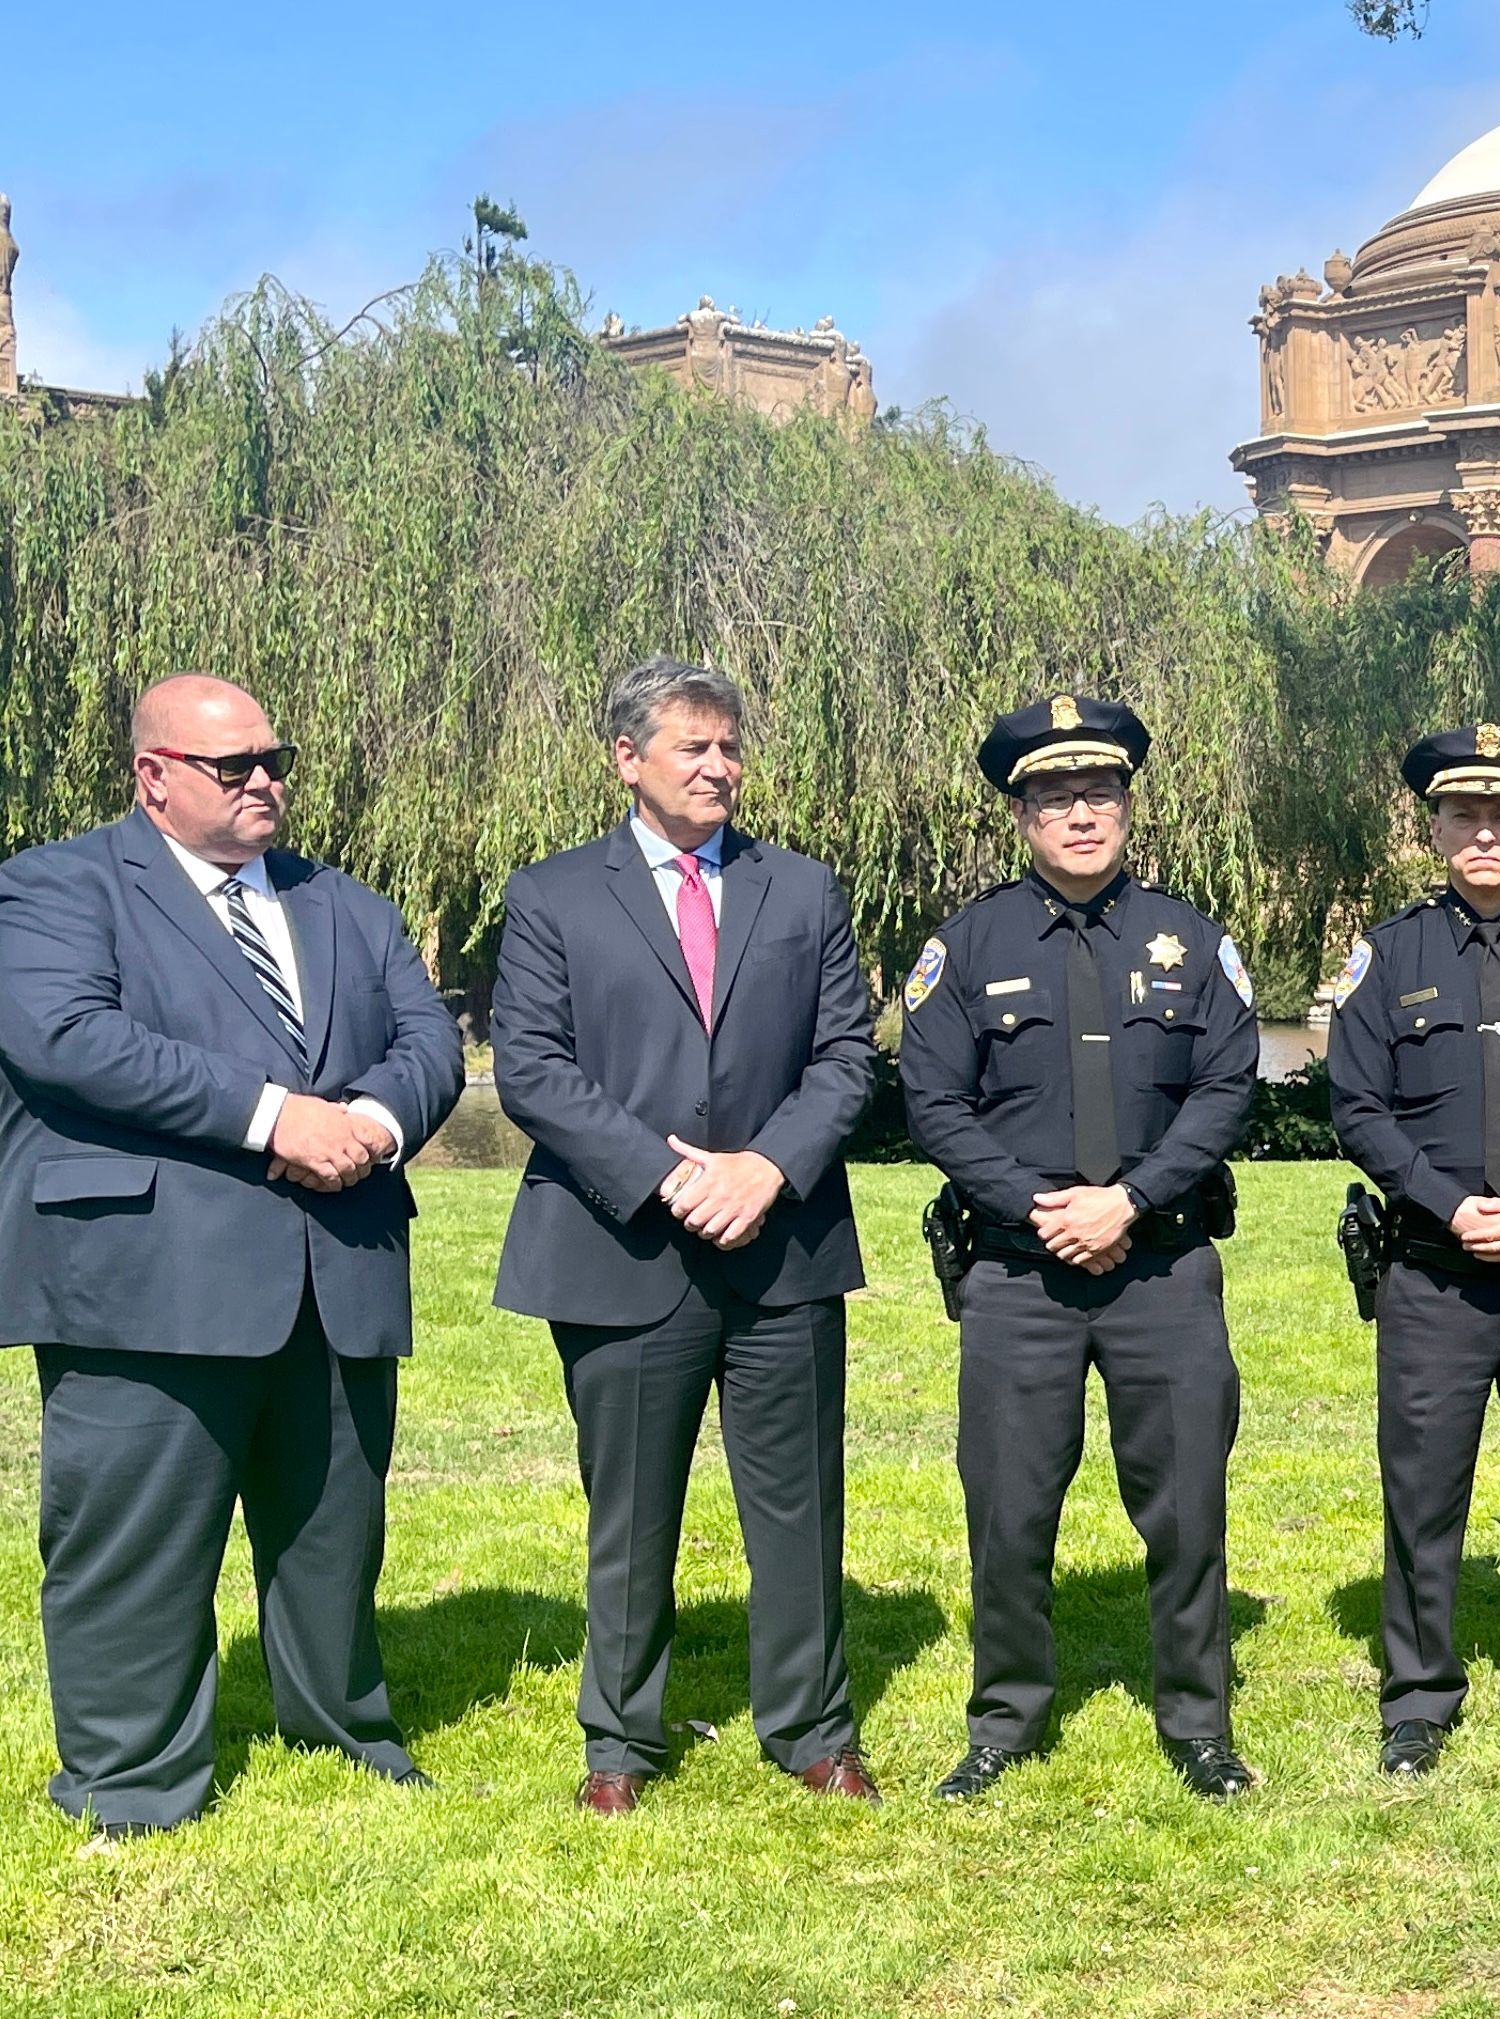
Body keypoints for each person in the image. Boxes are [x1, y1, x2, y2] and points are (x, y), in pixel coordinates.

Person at [0, 675, 463, 1838]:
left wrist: (372, 1122)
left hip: (338, 1263)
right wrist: (273, 1115)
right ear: (153, 775)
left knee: (332, 1530)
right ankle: (132, 1778)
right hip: (146, 1275)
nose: (267, 780)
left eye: (277, 757)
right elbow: (69, 1036)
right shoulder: (54, 885)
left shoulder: (345, 902)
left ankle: (344, 1725)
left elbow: (427, 1042)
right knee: (133, 1541)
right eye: (234, 764)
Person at [490, 657, 880, 1813]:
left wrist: (766, 1166)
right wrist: (668, 1176)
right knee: (630, 1509)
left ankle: (812, 1727)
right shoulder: (552, 895)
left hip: (782, 1246)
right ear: (626, 757)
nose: (719, 767)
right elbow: (533, 1069)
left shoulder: (801, 891)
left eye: (730, 746)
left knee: (800, 1503)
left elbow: (847, 1057)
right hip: (624, 1249)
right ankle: (619, 1744)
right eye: (692, 747)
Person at [897, 695, 1260, 1802]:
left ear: (1127, 805)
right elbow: (932, 1098)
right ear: (1020, 814)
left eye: (1098, 792)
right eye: (1054, 797)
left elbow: (1225, 1084)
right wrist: (1045, 1203)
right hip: (1018, 1273)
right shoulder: (966, 944)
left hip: (1163, 1267)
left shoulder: (1192, 939)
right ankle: (1005, 1718)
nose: (1080, 814)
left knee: (1187, 1504)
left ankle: (1197, 1722)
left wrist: (1133, 1200)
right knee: (1007, 1508)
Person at [1328, 723, 1500, 1776]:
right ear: (1434, 827)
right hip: (1432, 1269)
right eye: (1463, 814)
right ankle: (1417, 1694)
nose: (1483, 832)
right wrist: (1447, 1205)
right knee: (1423, 1486)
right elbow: (1354, 1104)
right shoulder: (1389, 951)